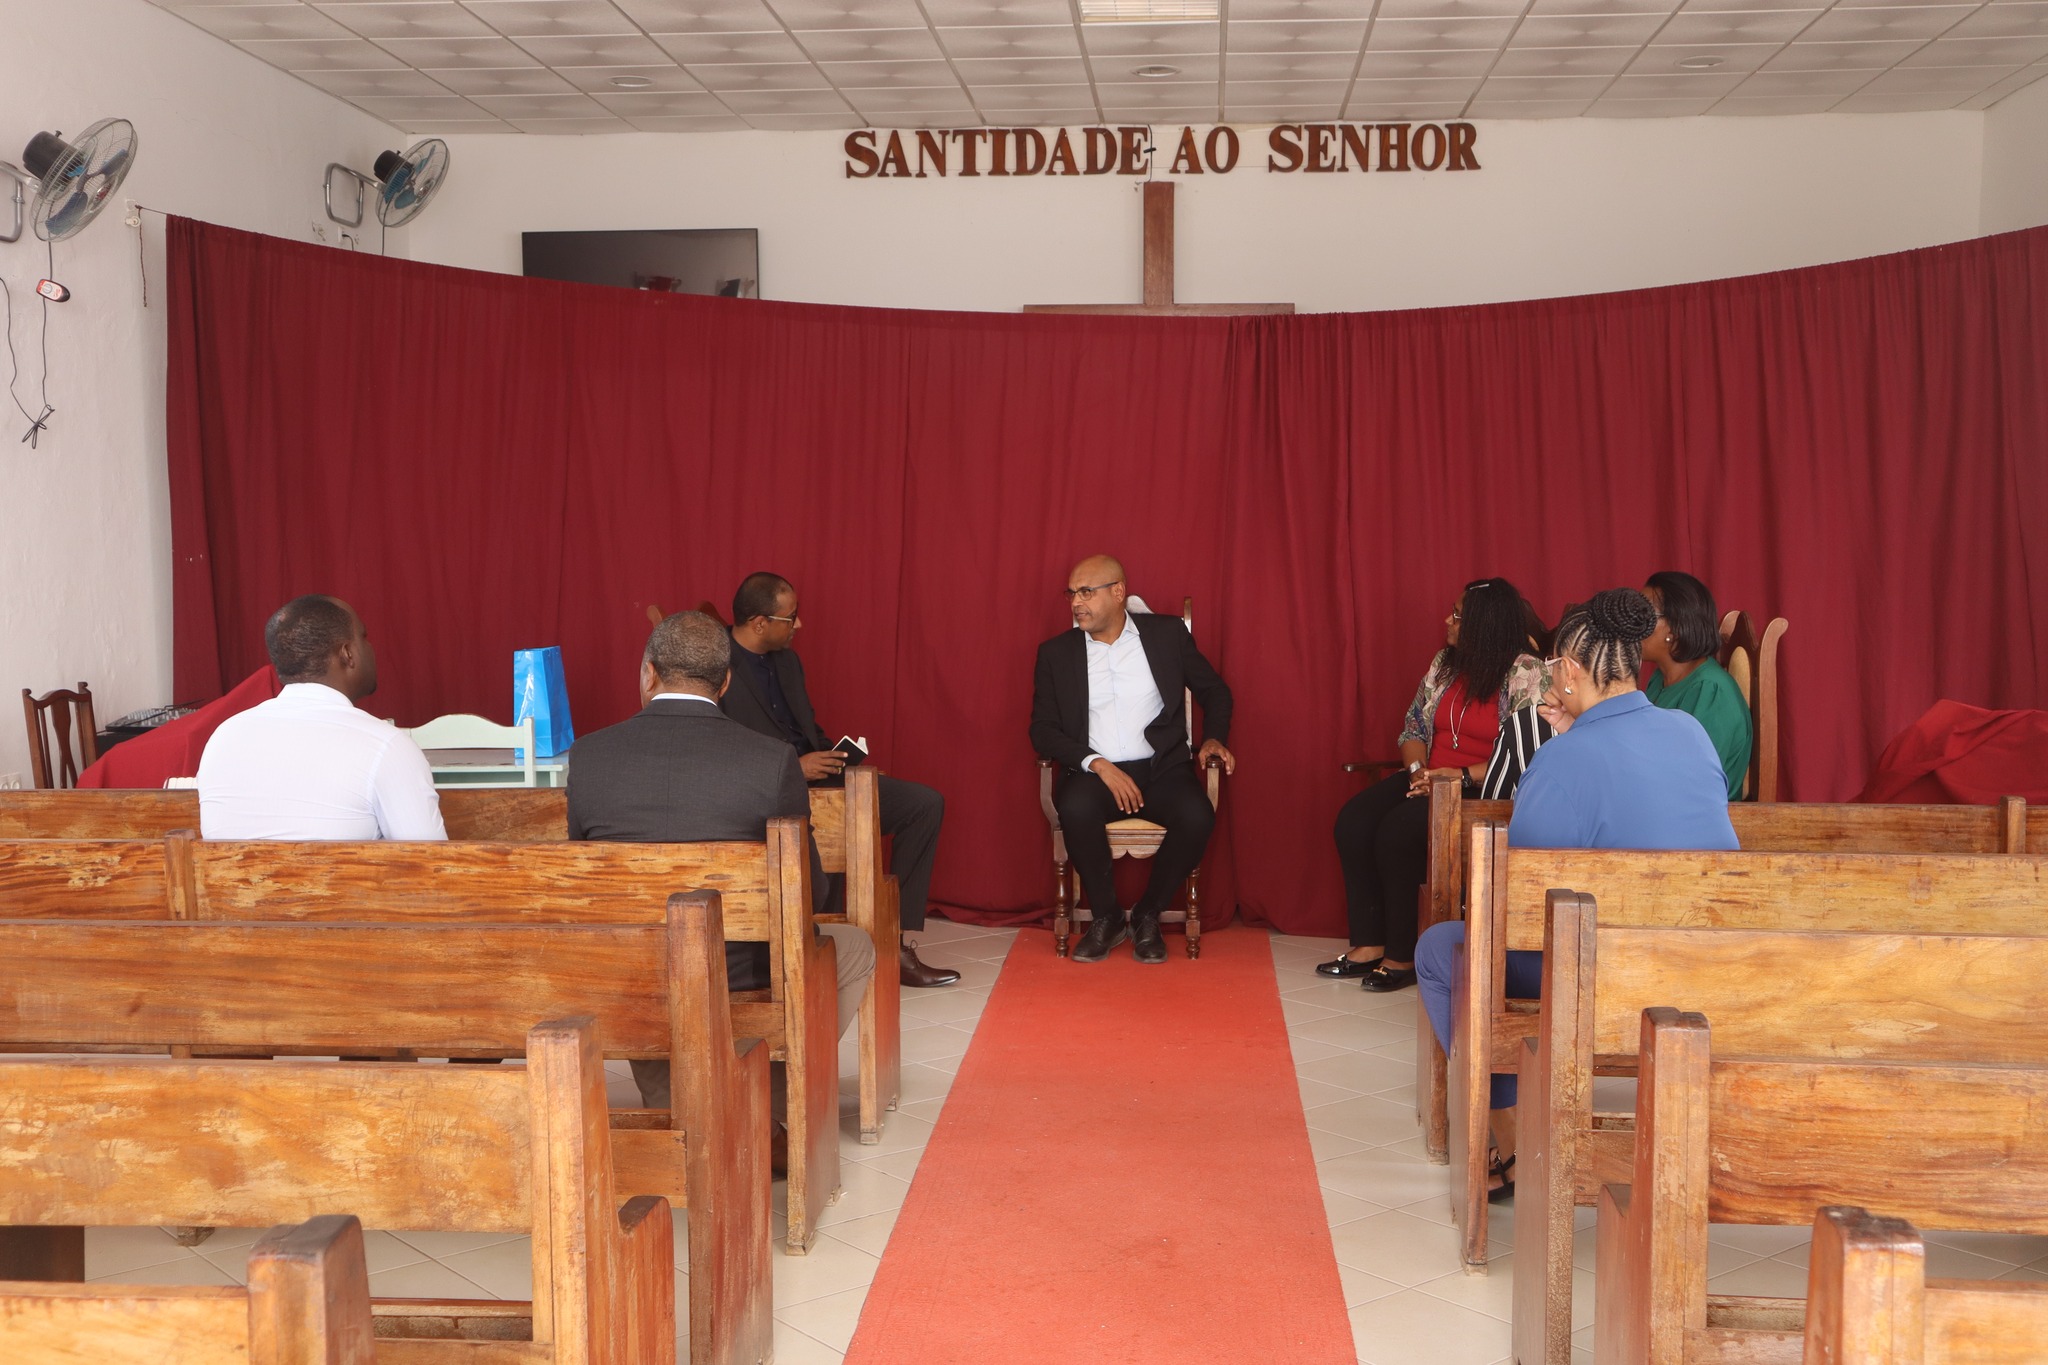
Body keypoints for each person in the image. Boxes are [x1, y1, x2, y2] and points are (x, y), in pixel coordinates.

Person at [1413, 588, 1738, 1197]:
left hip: (1600, 976)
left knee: (1442, 949)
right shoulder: (1690, 733)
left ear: (1566, 670)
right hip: (1699, 958)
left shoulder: (1561, 761)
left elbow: (1518, 903)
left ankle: (1506, 1135)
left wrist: (1561, 749)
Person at [568, 610, 875, 1112]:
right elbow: (811, 894)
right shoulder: (771, 759)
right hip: (739, 972)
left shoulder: (589, 755)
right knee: (856, 945)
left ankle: (676, 1098)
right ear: (726, 681)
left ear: (648, 672)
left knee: (649, 950)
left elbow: (585, 882)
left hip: (632, 969)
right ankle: (766, 1102)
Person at [721, 573, 958, 989]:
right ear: (759, 623)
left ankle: (895, 943)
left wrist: (841, 761)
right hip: (768, 793)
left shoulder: (788, 661)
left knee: (924, 803)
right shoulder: (716, 665)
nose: (799, 626)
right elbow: (723, 751)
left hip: (821, 780)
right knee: (826, 834)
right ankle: (821, 948)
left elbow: (806, 730)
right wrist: (797, 768)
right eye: (790, 617)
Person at [1322, 579, 1548, 991]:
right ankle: (1368, 944)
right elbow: (1414, 725)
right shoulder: (1446, 663)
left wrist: (1457, 776)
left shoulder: (1526, 672)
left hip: (1483, 787)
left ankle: (1402, 956)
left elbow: (1527, 751)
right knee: (1353, 820)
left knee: (1397, 833)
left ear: (1485, 624)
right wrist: (1418, 773)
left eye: (1458, 615)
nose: (1448, 620)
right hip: (1430, 777)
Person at [1029, 555, 1235, 964]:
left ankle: (1148, 913)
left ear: (1118, 592)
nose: (1076, 602)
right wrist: (1098, 764)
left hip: (1161, 768)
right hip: (1094, 770)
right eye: (1072, 593)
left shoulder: (1167, 635)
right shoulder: (1055, 653)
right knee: (1075, 807)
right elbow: (1042, 729)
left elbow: (1216, 691)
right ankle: (1106, 917)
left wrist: (1213, 738)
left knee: (1197, 816)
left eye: (1087, 592)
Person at [197, 595, 445, 841]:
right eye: (364, 637)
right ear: (348, 653)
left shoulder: (224, 738)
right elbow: (430, 867)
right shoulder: (387, 746)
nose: (370, 647)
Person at [1641, 570, 1753, 799]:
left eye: (1643, 613)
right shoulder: (1658, 680)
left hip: (1697, 824)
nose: (1631, 624)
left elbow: (1689, 783)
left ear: (1674, 627)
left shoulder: (1712, 692)